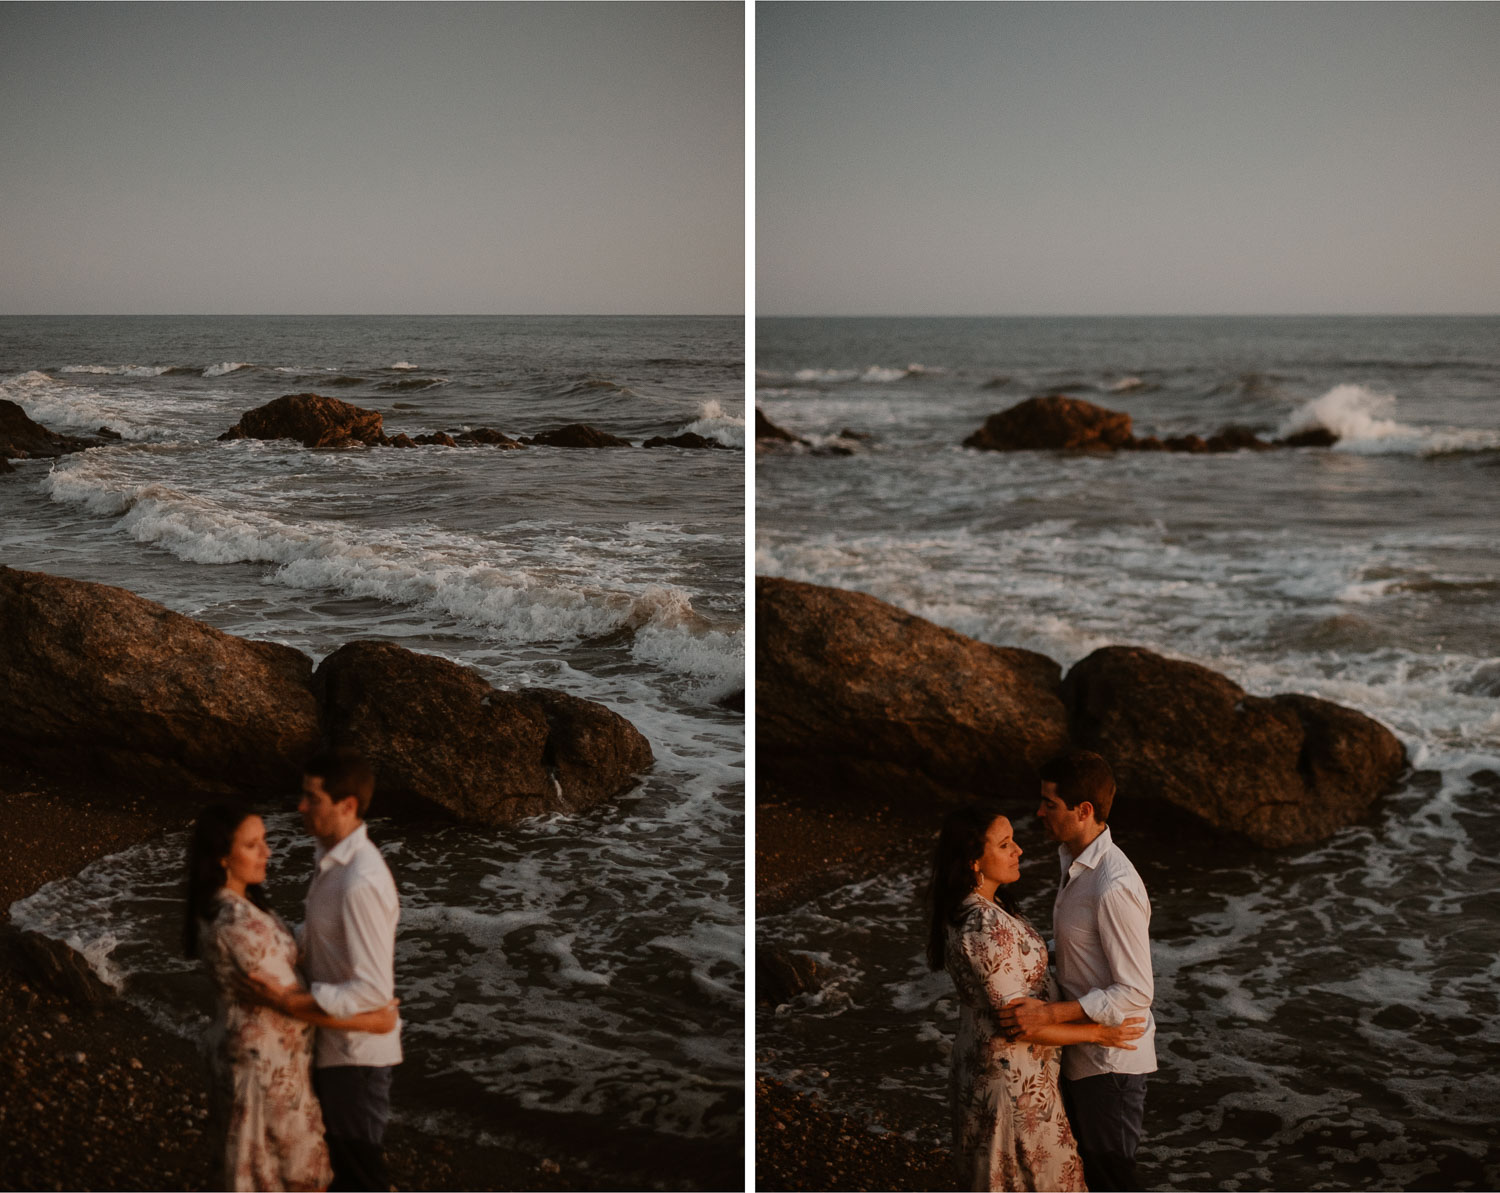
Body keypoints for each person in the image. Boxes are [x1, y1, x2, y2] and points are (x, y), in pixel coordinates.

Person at [927, 801, 1146, 1192]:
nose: (1019, 850)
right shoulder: (983, 924)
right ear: (974, 861)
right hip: (1011, 1084)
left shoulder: (989, 910)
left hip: (1012, 1075)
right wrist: (1098, 1034)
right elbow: (1021, 1025)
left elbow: (1019, 971)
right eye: (1005, 844)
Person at [184, 802, 399, 1193]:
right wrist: (376, 1020)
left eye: (264, 840)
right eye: (253, 845)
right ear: (222, 857)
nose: (268, 852)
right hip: (262, 1070)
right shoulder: (236, 925)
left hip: (265, 1061)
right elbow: (295, 1003)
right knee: (278, 1175)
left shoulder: (239, 906)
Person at [241, 749, 403, 1193]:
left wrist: (288, 1003)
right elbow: (319, 941)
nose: (301, 806)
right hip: (332, 1045)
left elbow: (372, 989)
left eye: (312, 798)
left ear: (347, 805)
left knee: (360, 1177)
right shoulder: (331, 861)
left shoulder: (359, 881)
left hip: (355, 1058)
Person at [997, 750, 1157, 1192]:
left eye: (1050, 803)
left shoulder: (1114, 885)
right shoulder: (1073, 859)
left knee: (1111, 1180)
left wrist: (1050, 1015)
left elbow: (1136, 992)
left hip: (1113, 1066)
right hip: (1084, 1053)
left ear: (1083, 811)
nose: (1040, 812)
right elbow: (1075, 951)